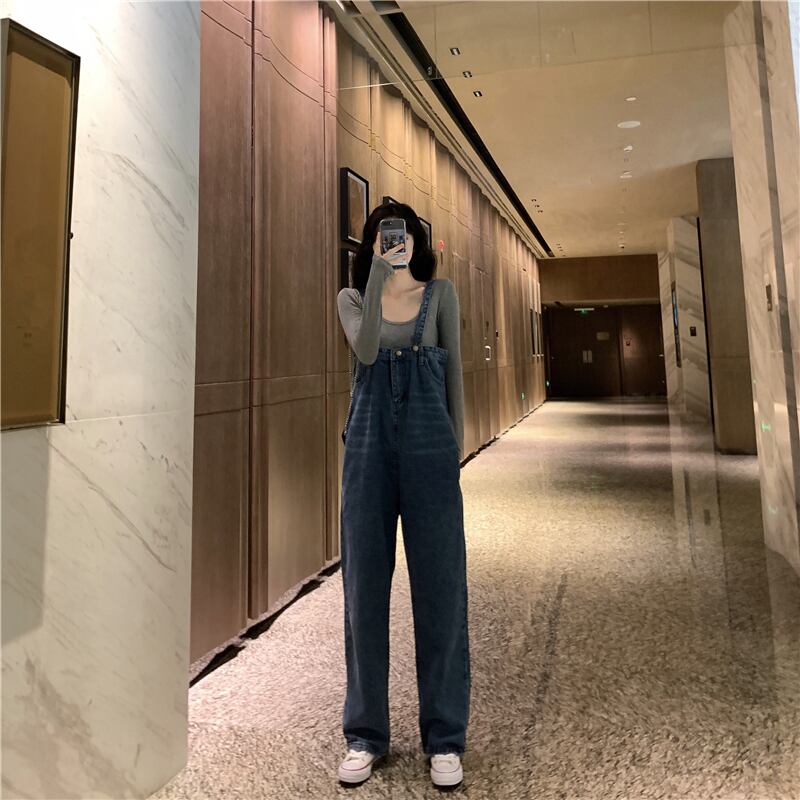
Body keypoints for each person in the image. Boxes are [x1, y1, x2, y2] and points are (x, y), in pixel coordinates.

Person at [335, 202, 471, 789]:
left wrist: (454, 451)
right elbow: (366, 351)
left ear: (418, 239)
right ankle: (365, 735)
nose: (397, 241)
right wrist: (376, 275)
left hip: (429, 444)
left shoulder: (441, 296)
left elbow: (455, 375)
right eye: (384, 235)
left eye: (405, 232)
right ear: (372, 243)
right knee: (363, 590)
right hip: (367, 447)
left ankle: (444, 738)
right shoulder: (352, 299)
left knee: (441, 588)